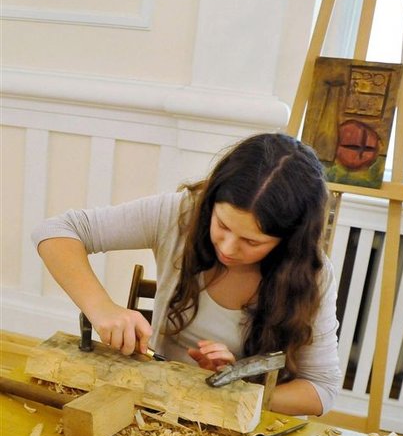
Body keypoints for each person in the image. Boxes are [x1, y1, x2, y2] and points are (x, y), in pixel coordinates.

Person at [32, 133, 341, 417]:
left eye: (251, 242)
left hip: (237, 424)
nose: (228, 248)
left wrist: (237, 387)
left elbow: (321, 391)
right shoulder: (182, 213)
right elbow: (56, 231)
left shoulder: (313, 274)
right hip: (155, 406)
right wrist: (101, 308)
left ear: (287, 241)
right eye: (222, 225)